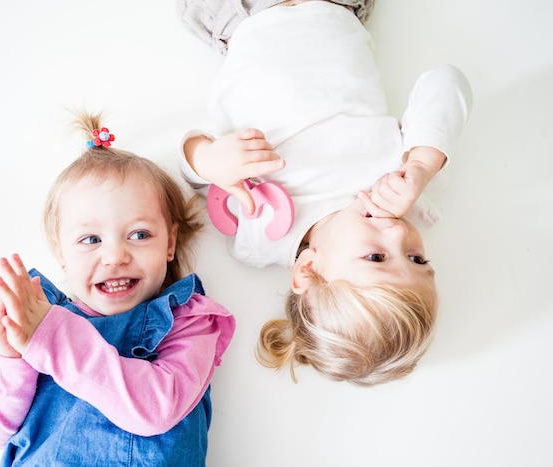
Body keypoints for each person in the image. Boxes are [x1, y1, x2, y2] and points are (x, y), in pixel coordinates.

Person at [176, 0, 472, 385]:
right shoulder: (404, 184)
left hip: (243, 15)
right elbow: (447, 81)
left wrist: (210, 160)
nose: (400, 234)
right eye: (418, 259)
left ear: (308, 270)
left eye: (376, 257)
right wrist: (421, 166)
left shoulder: (261, 236)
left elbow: (194, 171)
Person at [0, 113, 236, 466]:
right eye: (91, 239)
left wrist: (53, 338)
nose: (115, 256)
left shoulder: (190, 321)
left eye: (139, 235)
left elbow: (157, 408)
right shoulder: (40, 316)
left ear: (170, 243)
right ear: (61, 252)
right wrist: (12, 361)